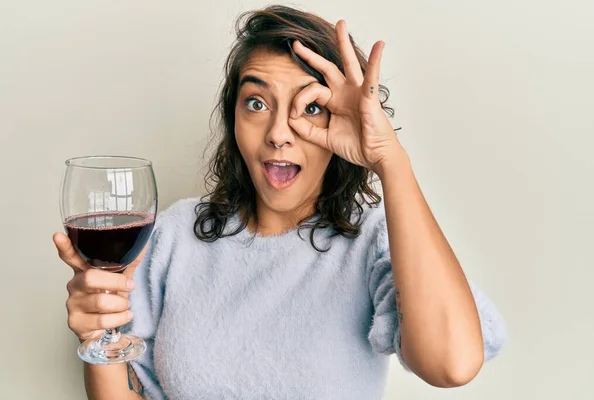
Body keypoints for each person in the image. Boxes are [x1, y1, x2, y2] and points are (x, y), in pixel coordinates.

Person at [54, 5, 506, 400]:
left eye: (310, 108)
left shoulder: (374, 243)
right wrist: (97, 332)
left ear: (342, 122)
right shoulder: (174, 235)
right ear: (233, 116)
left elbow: (451, 365)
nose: (277, 133)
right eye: (256, 103)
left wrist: (389, 160)